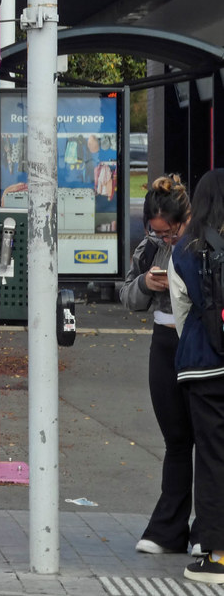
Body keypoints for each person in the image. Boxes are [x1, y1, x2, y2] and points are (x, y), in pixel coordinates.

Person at [119, 174, 197, 555]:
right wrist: (147, 284)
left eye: (171, 232)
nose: (167, 240)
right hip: (163, 339)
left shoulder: (201, 242)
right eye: (159, 233)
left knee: (210, 441)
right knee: (176, 440)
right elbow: (127, 295)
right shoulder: (150, 247)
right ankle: (169, 528)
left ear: (186, 218)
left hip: (197, 341)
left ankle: (207, 527)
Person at [169, 168, 224, 584]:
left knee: (211, 458)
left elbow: (181, 313)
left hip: (203, 370)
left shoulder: (184, 251)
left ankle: (217, 556)